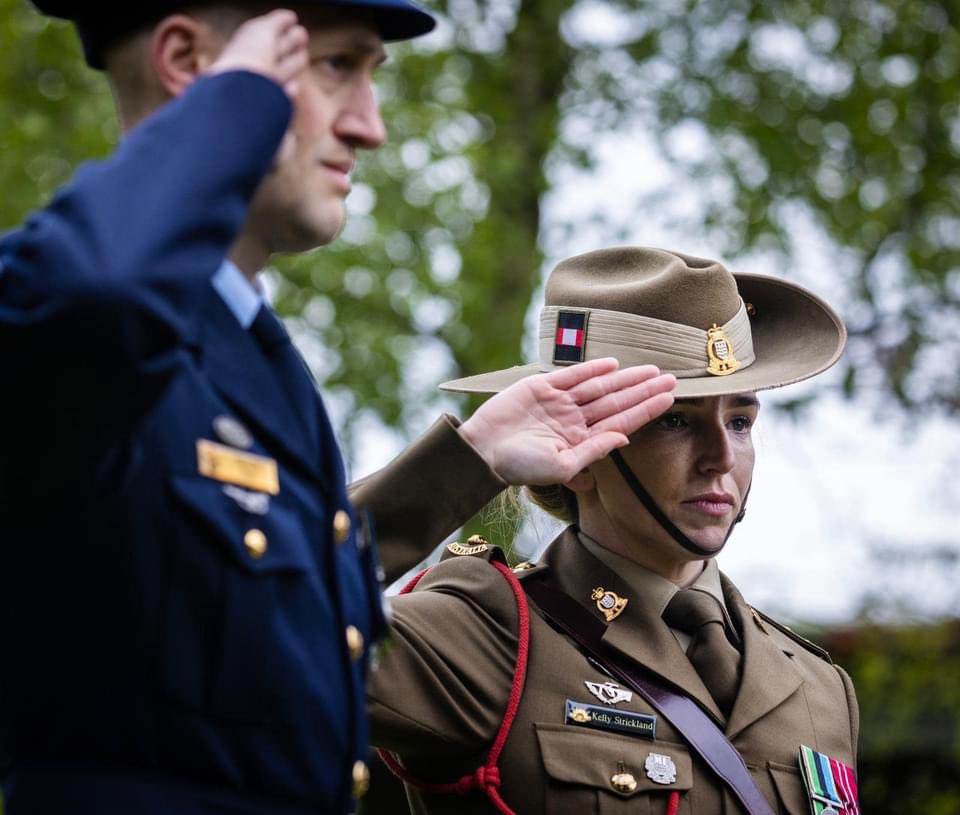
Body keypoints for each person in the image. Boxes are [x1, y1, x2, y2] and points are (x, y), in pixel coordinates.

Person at [0, 7, 678, 815]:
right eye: (334, 68)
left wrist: (472, 462)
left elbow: (252, 622)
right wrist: (236, 104)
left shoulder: (253, 357)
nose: (371, 127)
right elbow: (85, 292)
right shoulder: (86, 330)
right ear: (191, 64)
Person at [366, 246, 861, 814]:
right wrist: (469, 461)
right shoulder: (489, 633)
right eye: (675, 420)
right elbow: (258, 628)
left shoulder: (818, 689)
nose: (722, 457)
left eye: (741, 421)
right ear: (581, 454)